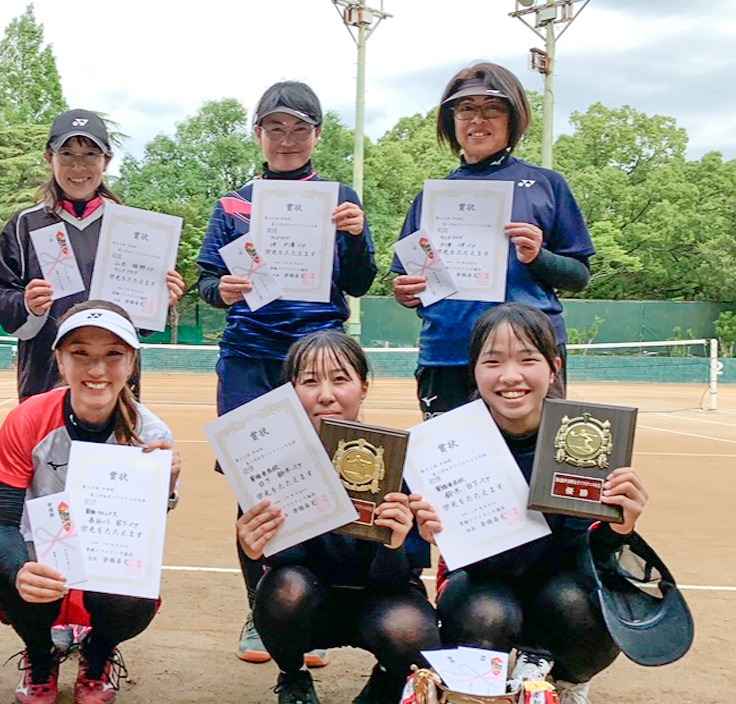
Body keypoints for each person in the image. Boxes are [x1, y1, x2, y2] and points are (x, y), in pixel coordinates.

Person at [196, 80, 377, 665]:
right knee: (254, 487)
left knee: (326, 480)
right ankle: (262, 611)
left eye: (299, 128)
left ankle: (310, 610)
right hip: (250, 357)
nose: (287, 139)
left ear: (316, 135)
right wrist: (222, 290)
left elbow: (360, 281)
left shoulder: (338, 198)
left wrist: (355, 235)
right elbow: (206, 283)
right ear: (259, 134)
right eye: (275, 128)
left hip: (317, 356)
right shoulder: (232, 203)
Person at [410, 303, 650, 704]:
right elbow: (462, 562)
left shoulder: (585, 438)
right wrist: (438, 533)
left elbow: (587, 556)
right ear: (474, 371)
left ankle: (568, 681)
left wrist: (617, 529)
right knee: (486, 611)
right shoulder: (445, 444)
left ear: (554, 368)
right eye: (493, 361)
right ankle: (484, 683)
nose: (510, 376)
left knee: (580, 604)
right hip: (483, 581)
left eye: (527, 359)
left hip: (561, 582)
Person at [0, 300, 180, 704]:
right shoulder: (27, 419)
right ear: (59, 360)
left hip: (105, 551)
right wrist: (19, 570)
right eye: (80, 353)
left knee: (134, 591)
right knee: (11, 578)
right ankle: (40, 655)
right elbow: (1, 521)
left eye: (113, 354)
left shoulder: (151, 433)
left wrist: (166, 484)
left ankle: (98, 652)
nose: (97, 369)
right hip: (43, 551)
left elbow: (141, 533)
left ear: (132, 363)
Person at [237, 331, 439, 704]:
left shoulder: (398, 459)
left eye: (340, 379)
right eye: (310, 381)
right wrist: (255, 550)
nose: (325, 394)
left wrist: (392, 545)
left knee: (410, 630)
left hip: (383, 599)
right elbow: (283, 565)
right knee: (281, 592)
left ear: (363, 388)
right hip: (310, 598)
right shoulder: (269, 465)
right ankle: (293, 676)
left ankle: (387, 681)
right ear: (291, 392)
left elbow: (396, 580)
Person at [391, 62, 595, 419]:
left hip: (526, 356)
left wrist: (539, 256)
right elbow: (411, 281)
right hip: (447, 354)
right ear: (451, 120)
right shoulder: (432, 197)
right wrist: (406, 292)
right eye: (465, 108)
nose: (477, 119)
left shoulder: (546, 185)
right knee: (450, 455)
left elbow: (578, 276)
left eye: (492, 108)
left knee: (532, 455)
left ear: (513, 118)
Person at [0, 108, 185, 402]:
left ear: (106, 160)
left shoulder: (133, 228)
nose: (78, 166)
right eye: (67, 154)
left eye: (90, 154)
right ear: (49, 158)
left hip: (114, 383)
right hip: (44, 378)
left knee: (112, 432)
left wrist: (160, 300)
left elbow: (140, 326)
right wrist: (27, 305)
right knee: (45, 432)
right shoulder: (24, 224)